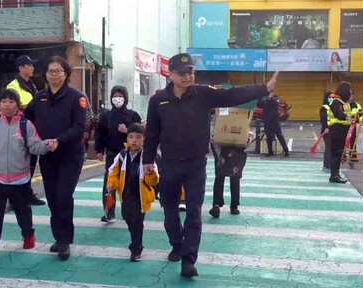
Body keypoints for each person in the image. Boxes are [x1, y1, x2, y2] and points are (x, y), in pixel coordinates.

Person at [143, 53, 279, 278]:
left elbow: (232, 95)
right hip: (169, 165)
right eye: (183, 73)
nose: (188, 77)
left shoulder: (203, 94)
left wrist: (264, 88)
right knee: (169, 210)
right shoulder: (158, 100)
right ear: (171, 74)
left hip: (196, 164)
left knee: (194, 211)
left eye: (191, 72)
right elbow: (152, 134)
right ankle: (176, 244)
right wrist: (148, 160)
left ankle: (189, 259)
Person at [0, 89, 50, 263]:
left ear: (17, 105)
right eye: (4, 101)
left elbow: (34, 146)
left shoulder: (26, 125)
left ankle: (28, 234)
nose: (7, 104)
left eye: (11, 101)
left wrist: (47, 145)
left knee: (23, 211)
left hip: (20, 179)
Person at [24, 56, 87, 260]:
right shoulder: (40, 97)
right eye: (50, 71)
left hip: (70, 155)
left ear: (66, 74)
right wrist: (6, 114)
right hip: (48, 156)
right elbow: (27, 117)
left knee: (63, 196)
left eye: (58, 71)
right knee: (52, 198)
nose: (54, 74)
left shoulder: (76, 97)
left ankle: (65, 240)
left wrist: (59, 140)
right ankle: (58, 237)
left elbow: (79, 127)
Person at [106, 123, 158, 261]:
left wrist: (150, 173)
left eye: (138, 137)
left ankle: (136, 248)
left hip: (140, 197)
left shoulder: (148, 157)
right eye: (131, 137)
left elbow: (154, 181)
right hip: (125, 195)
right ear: (127, 138)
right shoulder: (122, 155)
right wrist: (112, 183)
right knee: (127, 217)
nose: (134, 140)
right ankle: (135, 240)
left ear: (144, 139)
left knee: (137, 222)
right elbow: (113, 171)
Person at [94, 85, 141, 222]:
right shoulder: (106, 116)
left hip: (130, 155)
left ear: (125, 98)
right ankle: (109, 211)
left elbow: (140, 134)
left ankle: (131, 210)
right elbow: (99, 133)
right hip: (112, 154)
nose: (118, 99)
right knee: (109, 183)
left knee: (130, 183)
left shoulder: (133, 115)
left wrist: (127, 131)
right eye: (115, 96)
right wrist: (98, 150)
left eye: (120, 96)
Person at [5, 55, 45, 206]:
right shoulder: (13, 86)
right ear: (21, 68)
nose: (33, 68)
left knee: (31, 163)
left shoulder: (31, 84)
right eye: (30, 65)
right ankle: (15, 199)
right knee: (20, 164)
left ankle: (27, 194)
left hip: (33, 128)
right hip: (19, 129)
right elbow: (9, 106)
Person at [208, 132, 253, 218]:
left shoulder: (219, 119)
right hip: (235, 149)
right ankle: (233, 205)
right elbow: (247, 132)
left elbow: (213, 132)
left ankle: (217, 205)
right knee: (234, 178)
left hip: (223, 150)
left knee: (220, 177)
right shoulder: (241, 119)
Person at [328, 82, 354, 183]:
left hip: (341, 131)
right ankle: (334, 175)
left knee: (338, 153)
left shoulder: (344, 103)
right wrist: (346, 116)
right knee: (336, 153)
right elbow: (338, 114)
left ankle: (336, 174)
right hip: (337, 130)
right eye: (350, 90)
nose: (351, 92)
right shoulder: (336, 102)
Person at [257, 91, 289, 157]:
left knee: (279, 135)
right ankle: (270, 151)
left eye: (270, 93)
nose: (269, 95)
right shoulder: (264, 100)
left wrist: (270, 99)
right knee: (269, 137)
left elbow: (275, 105)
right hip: (267, 120)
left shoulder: (275, 99)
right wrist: (259, 97)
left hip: (275, 120)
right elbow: (259, 105)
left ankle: (286, 151)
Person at [320, 92, 333, 173]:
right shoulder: (324, 108)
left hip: (334, 130)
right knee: (329, 148)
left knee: (333, 148)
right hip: (327, 131)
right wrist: (326, 128)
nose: (331, 98)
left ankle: (331, 165)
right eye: (330, 97)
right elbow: (323, 119)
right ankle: (326, 166)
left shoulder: (335, 107)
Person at [349, 96, 363, 164]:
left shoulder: (357, 105)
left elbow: (360, 113)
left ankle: (353, 155)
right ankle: (343, 156)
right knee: (343, 140)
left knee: (353, 141)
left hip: (353, 124)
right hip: (345, 124)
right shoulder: (344, 104)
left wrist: (355, 117)